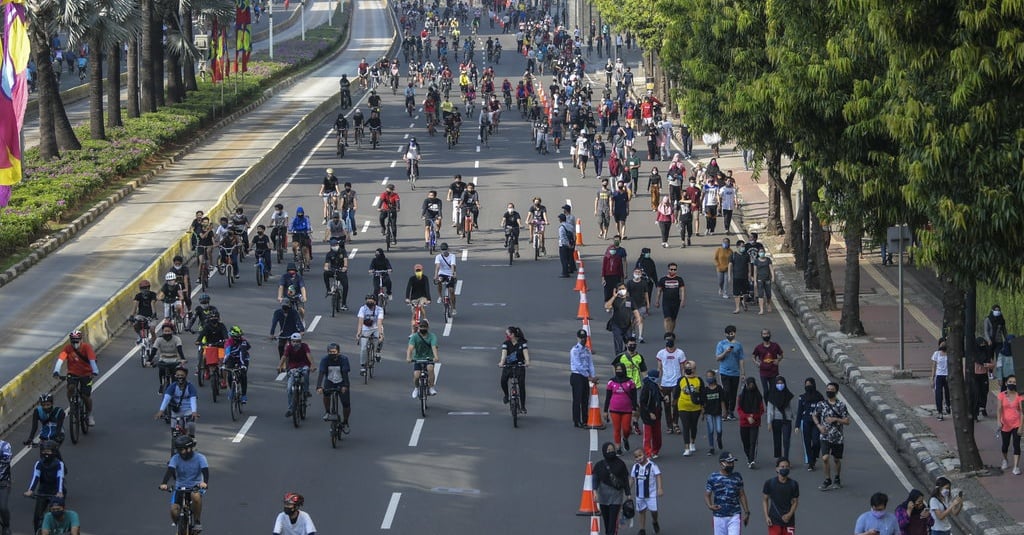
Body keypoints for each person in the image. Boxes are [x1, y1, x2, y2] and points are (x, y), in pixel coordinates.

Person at [159, 436, 209, 532]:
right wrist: (164, 483)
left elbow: (205, 471)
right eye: (179, 450)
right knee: (174, 510)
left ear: (189, 449)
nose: (180, 453)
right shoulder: (175, 458)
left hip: (196, 486)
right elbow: (170, 470)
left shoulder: (200, 458)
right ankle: (181, 526)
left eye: (182, 450)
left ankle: (197, 521)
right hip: (180, 486)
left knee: (195, 496)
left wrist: (205, 483)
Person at [52, 331, 99, 426]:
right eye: (73, 341)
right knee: (70, 388)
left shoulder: (86, 347)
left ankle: (89, 415)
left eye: (77, 341)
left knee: (86, 396)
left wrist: (95, 371)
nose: (75, 343)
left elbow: (92, 360)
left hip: (86, 374)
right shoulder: (68, 348)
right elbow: (60, 360)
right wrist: (56, 371)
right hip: (73, 374)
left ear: (81, 340)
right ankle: (72, 405)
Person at [813, 382, 850, 490]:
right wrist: (819, 426)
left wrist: (836, 419)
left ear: (836, 391)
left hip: (837, 437)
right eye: (828, 389)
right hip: (825, 436)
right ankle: (827, 479)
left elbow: (847, 421)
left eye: (832, 389)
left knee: (836, 459)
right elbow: (814, 415)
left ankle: (837, 478)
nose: (829, 391)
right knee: (825, 458)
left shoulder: (841, 405)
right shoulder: (821, 404)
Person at [24, 440, 67, 534]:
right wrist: (30, 490)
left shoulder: (59, 464)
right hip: (42, 492)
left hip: (55, 492)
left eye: (48, 451)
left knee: (57, 514)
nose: (45, 453)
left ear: (54, 452)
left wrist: (59, 492)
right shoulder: (39, 463)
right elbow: (35, 477)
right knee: (36, 517)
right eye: (43, 451)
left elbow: (60, 478)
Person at [705, 451, 751, 535]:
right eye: (729, 462)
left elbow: (742, 494)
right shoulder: (713, 477)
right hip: (718, 516)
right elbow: (707, 495)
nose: (731, 465)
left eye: (732, 462)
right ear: (721, 463)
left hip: (734, 516)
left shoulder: (737, 477)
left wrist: (747, 512)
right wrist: (710, 506)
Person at [593, 441, 632, 535]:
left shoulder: (621, 464)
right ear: (604, 452)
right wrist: (595, 492)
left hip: (616, 497)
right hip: (603, 497)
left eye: (612, 449)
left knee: (613, 522)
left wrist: (628, 494)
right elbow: (595, 479)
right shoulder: (599, 465)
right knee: (606, 522)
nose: (611, 451)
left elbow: (625, 480)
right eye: (608, 450)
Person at [154, 365, 199, 437]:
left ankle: (191, 438)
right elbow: (166, 398)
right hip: (176, 411)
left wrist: (194, 412)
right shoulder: (172, 386)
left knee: (191, 425)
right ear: (175, 376)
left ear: (186, 376)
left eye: (182, 375)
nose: (180, 377)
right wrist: (161, 411)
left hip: (188, 410)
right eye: (178, 375)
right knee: (174, 428)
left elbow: (193, 399)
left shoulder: (190, 387)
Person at [316, 343, 351, 431]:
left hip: (342, 382)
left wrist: (345, 386)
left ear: (338, 352)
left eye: (334, 352)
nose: (332, 353)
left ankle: (345, 421)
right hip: (330, 381)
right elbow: (321, 373)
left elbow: (345, 373)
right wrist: (319, 386)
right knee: (326, 394)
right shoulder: (325, 360)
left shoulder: (343, 359)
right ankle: (327, 412)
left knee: (346, 403)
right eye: (330, 352)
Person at [605, 363, 639, 454]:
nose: (619, 371)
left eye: (620, 369)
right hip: (614, 409)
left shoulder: (630, 382)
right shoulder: (611, 382)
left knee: (626, 429)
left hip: (627, 410)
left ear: (624, 370)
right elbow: (607, 397)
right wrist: (605, 411)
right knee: (617, 429)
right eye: (617, 369)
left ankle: (625, 438)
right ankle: (618, 448)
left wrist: (634, 409)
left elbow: (634, 397)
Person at [278, 333, 314, 418]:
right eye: (293, 341)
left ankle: (306, 391)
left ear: (300, 341)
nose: (295, 343)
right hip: (292, 368)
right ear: (291, 342)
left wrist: (312, 364)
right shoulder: (289, 347)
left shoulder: (304, 346)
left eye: (297, 341)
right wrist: (279, 366)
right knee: (289, 388)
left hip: (303, 365)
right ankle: (290, 409)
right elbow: (284, 356)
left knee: (305, 372)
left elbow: (308, 355)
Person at [656, 332, 685, 436]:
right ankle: (669, 425)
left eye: (670, 339)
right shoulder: (661, 353)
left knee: (676, 404)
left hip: (676, 382)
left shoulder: (680, 353)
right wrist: (657, 382)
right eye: (667, 339)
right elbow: (659, 368)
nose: (669, 341)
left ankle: (675, 423)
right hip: (665, 383)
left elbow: (683, 368)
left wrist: (683, 381)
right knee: (667, 405)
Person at [715, 325, 746, 420]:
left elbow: (741, 359)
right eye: (729, 334)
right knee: (726, 391)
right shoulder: (721, 344)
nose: (731, 335)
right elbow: (718, 358)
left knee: (733, 393)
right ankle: (724, 411)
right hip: (724, 372)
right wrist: (725, 352)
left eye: (732, 333)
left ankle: (731, 412)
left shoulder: (739, 345)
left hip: (735, 373)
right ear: (725, 334)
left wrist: (743, 373)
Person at [761, 458, 799, 535]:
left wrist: (789, 514)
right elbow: (765, 500)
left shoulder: (793, 484)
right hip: (774, 521)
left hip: (789, 521)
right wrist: (766, 516)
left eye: (787, 466)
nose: (785, 468)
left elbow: (795, 502)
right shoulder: (769, 483)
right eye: (782, 467)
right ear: (777, 469)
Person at [631, 449, 663, 535]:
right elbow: (632, 478)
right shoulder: (635, 467)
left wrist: (659, 488)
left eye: (640, 455)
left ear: (645, 454)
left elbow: (658, 475)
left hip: (651, 494)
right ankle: (642, 529)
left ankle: (655, 521)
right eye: (636, 457)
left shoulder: (652, 465)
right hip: (639, 495)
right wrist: (628, 490)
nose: (639, 458)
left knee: (654, 511)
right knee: (641, 511)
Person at [498, 326, 530, 411]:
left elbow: (526, 354)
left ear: (512, 334)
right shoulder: (506, 343)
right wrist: (502, 362)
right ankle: (506, 395)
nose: (506, 336)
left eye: (507, 334)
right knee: (503, 380)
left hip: (519, 366)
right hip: (508, 366)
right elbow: (504, 354)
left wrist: (527, 362)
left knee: (521, 385)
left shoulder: (522, 343)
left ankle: (522, 406)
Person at [796, 377, 825, 471]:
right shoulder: (802, 397)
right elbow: (799, 411)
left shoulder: (819, 397)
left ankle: (814, 455)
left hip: (816, 423)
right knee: (807, 442)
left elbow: (824, 411)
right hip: (806, 422)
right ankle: (810, 463)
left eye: (810, 384)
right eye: (806, 384)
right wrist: (797, 425)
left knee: (816, 441)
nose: (808, 386)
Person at [570, 329, 597, 428]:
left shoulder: (587, 350)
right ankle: (577, 420)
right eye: (581, 338)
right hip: (577, 376)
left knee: (585, 399)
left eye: (584, 338)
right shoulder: (574, 350)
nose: (583, 339)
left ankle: (585, 419)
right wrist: (589, 377)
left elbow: (590, 364)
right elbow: (578, 365)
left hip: (585, 377)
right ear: (577, 338)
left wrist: (593, 376)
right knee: (577, 399)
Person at [406, 319, 440, 398]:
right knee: (416, 376)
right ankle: (416, 388)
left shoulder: (432, 336)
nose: (423, 329)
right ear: (418, 327)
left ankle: (431, 387)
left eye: (424, 327)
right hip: (418, 358)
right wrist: (408, 357)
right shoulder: (414, 337)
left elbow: (434, 347)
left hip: (429, 358)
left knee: (430, 368)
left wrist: (436, 357)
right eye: (421, 327)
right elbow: (410, 348)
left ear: (428, 328)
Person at [677, 360, 704, 456]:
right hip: (683, 407)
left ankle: (692, 441)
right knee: (685, 426)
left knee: (693, 426)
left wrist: (703, 408)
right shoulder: (681, 380)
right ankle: (686, 447)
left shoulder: (699, 380)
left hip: (695, 408)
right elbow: (676, 393)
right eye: (686, 368)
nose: (687, 370)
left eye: (690, 368)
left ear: (694, 369)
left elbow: (702, 395)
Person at [996, 374, 1021, 474]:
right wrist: (998, 421)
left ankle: (1016, 467)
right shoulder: (1001, 395)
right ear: (1006, 383)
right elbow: (999, 409)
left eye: (1014, 382)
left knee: (1016, 445)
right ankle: (1005, 460)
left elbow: (1022, 412)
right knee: (1005, 445)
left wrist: (1021, 426)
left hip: (1016, 423)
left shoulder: (1020, 396)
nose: (1012, 384)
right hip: (1005, 424)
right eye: (1010, 382)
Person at [737, 377, 765, 468]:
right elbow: (739, 409)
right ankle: (749, 456)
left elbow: (761, 410)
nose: (751, 386)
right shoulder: (741, 397)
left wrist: (754, 416)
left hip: (754, 423)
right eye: (749, 385)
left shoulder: (758, 396)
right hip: (744, 423)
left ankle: (751, 460)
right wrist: (747, 417)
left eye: (752, 385)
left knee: (753, 442)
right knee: (745, 442)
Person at [355, 294, 385, 375]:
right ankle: (363, 366)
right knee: (363, 348)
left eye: (371, 301)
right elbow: (360, 322)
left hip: (376, 327)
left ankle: (378, 351)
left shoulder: (380, 309)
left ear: (375, 302)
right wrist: (359, 332)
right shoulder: (363, 309)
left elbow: (379, 322)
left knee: (380, 334)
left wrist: (380, 334)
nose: (369, 302)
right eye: (367, 301)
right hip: (366, 328)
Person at [766, 376, 794, 460]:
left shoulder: (787, 394)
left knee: (786, 440)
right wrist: (769, 423)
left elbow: (789, 408)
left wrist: (792, 418)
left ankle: (786, 458)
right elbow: (770, 410)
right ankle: (778, 458)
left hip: (786, 420)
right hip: (776, 420)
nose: (780, 385)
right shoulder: (772, 396)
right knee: (777, 440)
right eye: (778, 383)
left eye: (781, 383)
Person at [654, 263, 685, 335]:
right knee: (667, 318)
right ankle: (667, 334)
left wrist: (683, 300)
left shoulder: (679, 279)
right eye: (671, 269)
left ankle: (671, 333)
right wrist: (657, 301)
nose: (673, 271)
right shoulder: (663, 279)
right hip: (666, 302)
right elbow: (659, 291)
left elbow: (682, 290)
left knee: (673, 319)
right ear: (668, 270)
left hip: (676, 302)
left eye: (675, 269)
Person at [604, 283, 634, 356]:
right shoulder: (615, 300)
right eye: (620, 289)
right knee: (618, 342)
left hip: (627, 325)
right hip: (616, 325)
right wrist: (614, 297)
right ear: (616, 291)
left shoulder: (630, 300)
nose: (622, 290)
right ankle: (619, 357)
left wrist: (638, 318)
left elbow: (635, 310)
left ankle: (628, 355)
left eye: (623, 289)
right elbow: (607, 306)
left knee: (629, 341)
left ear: (626, 290)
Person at [639, 370, 663, 459]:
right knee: (648, 436)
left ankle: (655, 450)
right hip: (647, 415)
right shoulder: (646, 388)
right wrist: (649, 413)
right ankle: (648, 452)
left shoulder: (655, 386)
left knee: (657, 434)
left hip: (657, 413)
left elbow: (658, 398)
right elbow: (643, 402)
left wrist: (664, 399)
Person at [223, 326, 251, 403]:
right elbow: (227, 353)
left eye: (239, 336)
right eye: (236, 337)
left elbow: (243, 353)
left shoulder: (243, 341)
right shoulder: (228, 342)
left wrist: (243, 365)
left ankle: (244, 395)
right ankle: (232, 390)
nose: (238, 338)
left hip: (243, 358)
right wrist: (224, 363)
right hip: (232, 358)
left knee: (243, 375)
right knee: (229, 373)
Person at [752, 329, 784, 396]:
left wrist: (778, 360)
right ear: (761, 336)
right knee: (766, 391)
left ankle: (772, 405)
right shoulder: (759, 347)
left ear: (770, 335)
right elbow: (753, 356)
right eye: (764, 334)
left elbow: (781, 355)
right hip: (763, 372)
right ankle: (767, 405)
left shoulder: (775, 345)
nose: (766, 335)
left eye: (767, 334)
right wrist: (756, 363)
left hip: (773, 372)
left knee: (773, 390)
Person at [703, 370, 726, 455]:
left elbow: (722, 400)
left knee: (719, 429)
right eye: (707, 376)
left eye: (710, 376)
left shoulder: (719, 388)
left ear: (714, 377)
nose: (709, 378)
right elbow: (704, 403)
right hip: (709, 412)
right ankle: (711, 447)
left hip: (718, 411)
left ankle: (719, 439)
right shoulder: (705, 390)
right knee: (711, 430)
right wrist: (703, 413)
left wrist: (724, 410)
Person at [323, 238, 349, 311]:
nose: (334, 246)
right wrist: (326, 268)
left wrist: (345, 267)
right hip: (333, 269)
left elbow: (345, 260)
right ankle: (328, 289)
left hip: (341, 270)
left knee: (346, 286)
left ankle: (344, 303)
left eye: (335, 245)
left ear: (338, 245)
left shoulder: (343, 251)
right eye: (332, 245)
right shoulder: (329, 254)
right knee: (325, 274)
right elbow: (326, 263)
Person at [433, 243, 458, 314]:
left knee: (451, 290)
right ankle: (440, 296)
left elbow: (453, 265)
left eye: (445, 250)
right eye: (442, 250)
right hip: (442, 273)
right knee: (439, 281)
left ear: (448, 249)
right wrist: (435, 275)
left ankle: (453, 307)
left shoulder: (452, 256)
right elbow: (437, 266)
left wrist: (453, 274)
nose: (444, 252)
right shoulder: (438, 257)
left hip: (450, 274)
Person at [601, 237, 627, 302]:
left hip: (616, 276)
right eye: (615, 240)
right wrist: (603, 277)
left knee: (616, 289)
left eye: (618, 240)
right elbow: (603, 267)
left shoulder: (619, 255)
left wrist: (623, 274)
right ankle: (608, 303)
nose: (612, 250)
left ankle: (616, 302)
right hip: (608, 276)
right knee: (608, 290)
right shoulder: (606, 258)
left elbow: (623, 264)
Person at [930, 338, 950, 420]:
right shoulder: (936, 354)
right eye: (941, 344)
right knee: (938, 394)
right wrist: (932, 378)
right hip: (939, 376)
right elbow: (934, 366)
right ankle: (940, 412)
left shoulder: (950, 354)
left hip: (947, 376)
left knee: (948, 393)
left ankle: (948, 404)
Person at [729, 240, 752, 313]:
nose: (743, 248)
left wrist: (749, 274)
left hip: (745, 277)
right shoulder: (733, 255)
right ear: (737, 247)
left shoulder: (746, 255)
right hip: (736, 277)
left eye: (744, 246)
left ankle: (744, 302)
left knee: (745, 293)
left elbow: (749, 265)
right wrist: (729, 276)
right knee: (736, 294)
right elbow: (730, 265)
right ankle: (737, 308)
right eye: (742, 246)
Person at [752, 250, 775, 314]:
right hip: (760, 280)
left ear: (764, 253)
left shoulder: (768, 260)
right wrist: (755, 281)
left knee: (768, 294)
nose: (761, 253)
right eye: (760, 252)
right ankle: (761, 309)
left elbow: (771, 268)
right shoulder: (756, 261)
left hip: (767, 279)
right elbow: (755, 271)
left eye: (762, 252)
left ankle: (768, 304)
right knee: (760, 294)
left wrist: (773, 276)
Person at [0, 437, 11, 535]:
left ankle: (6, 526)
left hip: (3, 482)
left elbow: (7, 459)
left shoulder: (4, 445)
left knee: (3, 507)